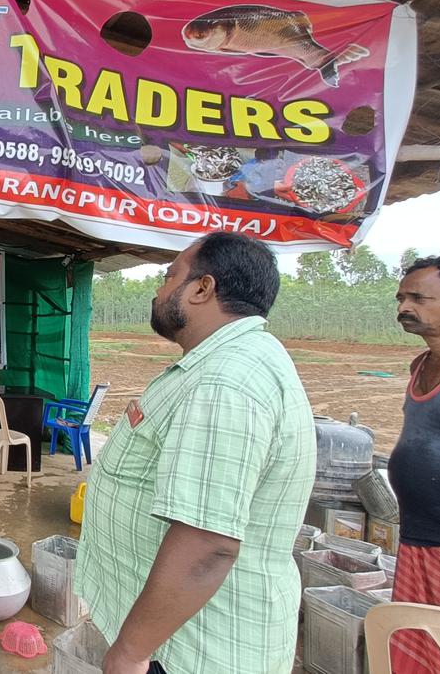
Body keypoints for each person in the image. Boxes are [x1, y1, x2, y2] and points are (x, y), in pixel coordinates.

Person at [75, 232, 316, 674]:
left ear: (202, 288)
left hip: (189, 652)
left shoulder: (226, 380)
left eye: (169, 278)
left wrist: (130, 651)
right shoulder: (219, 364)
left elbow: (207, 544)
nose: (159, 290)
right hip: (173, 638)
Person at [387, 253, 440, 674]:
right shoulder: (421, 366)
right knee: (424, 651)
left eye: (419, 298)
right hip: (419, 540)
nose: (404, 308)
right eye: (400, 298)